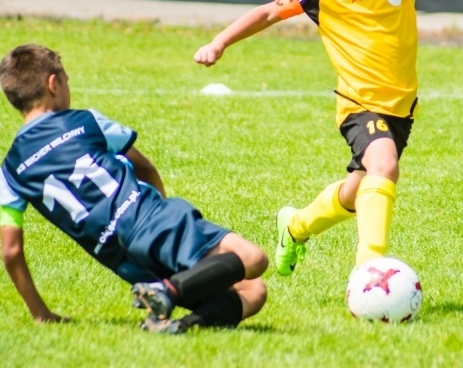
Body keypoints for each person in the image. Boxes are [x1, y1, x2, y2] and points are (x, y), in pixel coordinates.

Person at [194, 0, 461, 276]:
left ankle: (297, 225)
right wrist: (219, 42)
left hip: (400, 107)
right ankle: (370, 268)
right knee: (383, 166)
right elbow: (269, 13)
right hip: (359, 106)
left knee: (361, 187)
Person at [0, 44, 268, 334]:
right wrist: (164, 214)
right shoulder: (84, 121)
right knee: (253, 258)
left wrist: (40, 313)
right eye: (66, 81)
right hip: (151, 219)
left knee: (254, 292)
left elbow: (11, 250)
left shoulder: (10, 169)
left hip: (123, 261)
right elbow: (145, 168)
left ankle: (175, 324)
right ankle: (169, 291)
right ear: (53, 84)